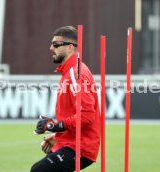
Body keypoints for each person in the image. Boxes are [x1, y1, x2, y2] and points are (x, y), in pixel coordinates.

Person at [31, 26, 100, 172]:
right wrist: (57, 134)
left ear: (69, 48)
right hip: (71, 143)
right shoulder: (69, 72)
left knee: (38, 170)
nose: (51, 48)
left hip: (80, 148)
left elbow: (86, 115)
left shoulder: (75, 73)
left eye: (56, 44)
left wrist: (54, 126)